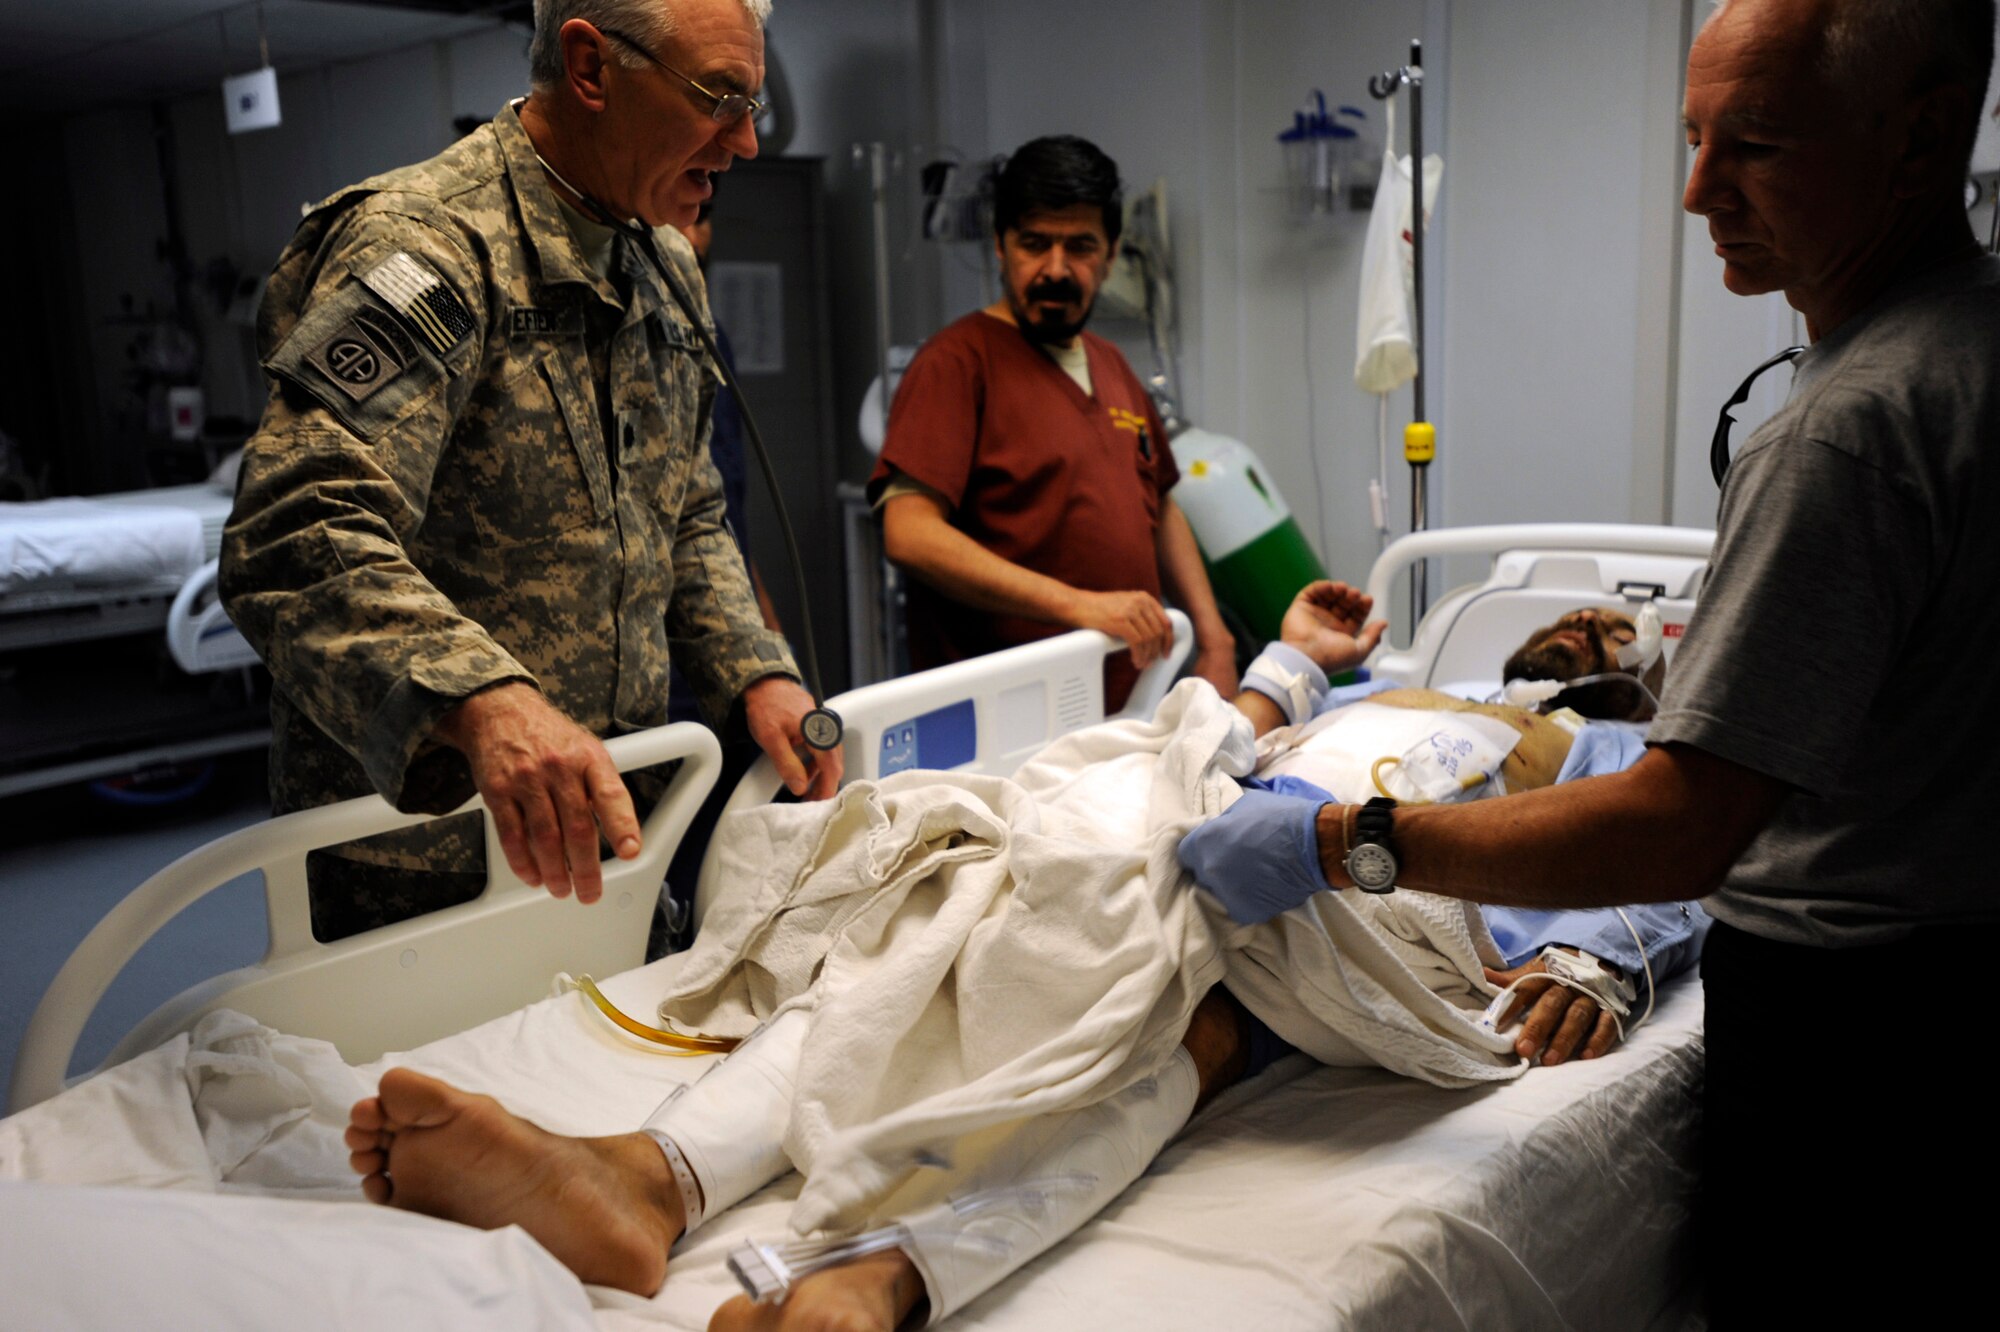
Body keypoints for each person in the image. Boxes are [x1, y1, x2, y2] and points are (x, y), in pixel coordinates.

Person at [1185, 0, 2000, 1318]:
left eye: (1758, 145)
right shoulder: (1971, 347)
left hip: (1854, 1040)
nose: (1696, 191)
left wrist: (1351, 844)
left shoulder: (1848, 436)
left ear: (1916, 136)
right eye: (1692, 139)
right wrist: (1286, 679)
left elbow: (1682, 831)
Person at [341, 580, 1704, 1331]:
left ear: (1639, 674)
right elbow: (1209, 730)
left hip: (1360, 890)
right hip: (1206, 806)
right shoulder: (1355, 687)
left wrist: (1604, 960)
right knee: (946, 927)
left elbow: (1674, 857)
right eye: (1567, 623)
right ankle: (645, 1176)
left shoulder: (1597, 750)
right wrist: (1294, 662)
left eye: (1604, 637)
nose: (1576, 634)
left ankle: (893, 1267)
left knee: (1178, 1017)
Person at [220, 0, 839, 943]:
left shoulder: (664, 260)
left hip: (609, 834)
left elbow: (686, 513)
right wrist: (481, 700)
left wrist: (755, 673)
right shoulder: (428, 247)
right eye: (721, 98)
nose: (747, 143)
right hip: (425, 863)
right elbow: (297, 533)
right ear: (591, 69)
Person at [869, 135, 1237, 712]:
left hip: (1127, 696)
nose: (1056, 270)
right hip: (1006, 716)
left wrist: (1216, 641)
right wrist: (1080, 606)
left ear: (1112, 255)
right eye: (1035, 245)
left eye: (1081, 247)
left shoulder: (1111, 366)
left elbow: (1159, 506)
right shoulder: (958, 364)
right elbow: (910, 533)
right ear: (1000, 246)